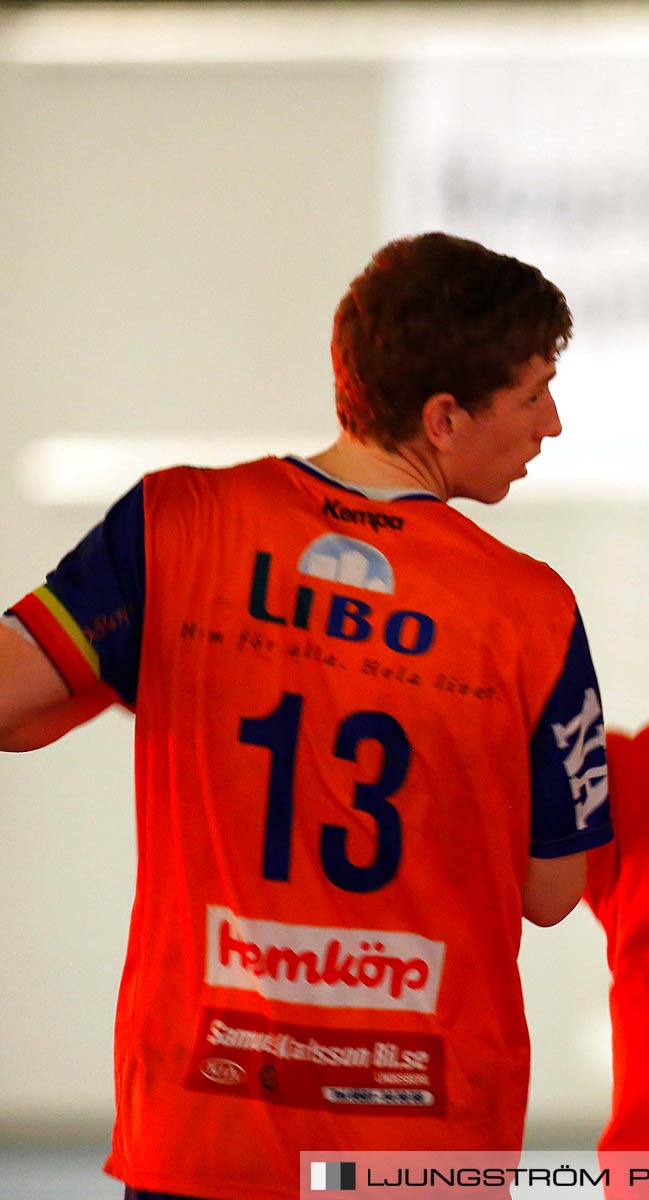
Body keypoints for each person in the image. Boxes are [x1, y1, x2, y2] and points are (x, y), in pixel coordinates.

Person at [0, 232, 612, 1200]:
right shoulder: (530, 609)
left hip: (204, 1133)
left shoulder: (177, 526)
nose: (554, 424)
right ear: (444, 418)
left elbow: (9, 703)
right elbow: (552, 891)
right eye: (534, 393)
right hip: (426, 1144)